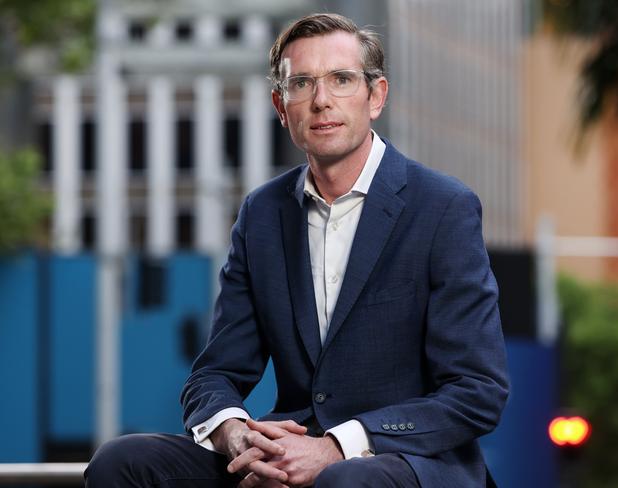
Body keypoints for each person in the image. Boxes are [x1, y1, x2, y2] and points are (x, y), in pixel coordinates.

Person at [85, 12, 509, 488]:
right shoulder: (262, 214)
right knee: (121, 462)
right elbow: (215, 373)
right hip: (285, 450)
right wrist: (239, 435)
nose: (322, 101)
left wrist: (335, 448)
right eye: (302, 83)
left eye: (342, 80)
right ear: (281, 106)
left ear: (376, 96)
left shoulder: (442, 208)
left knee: (344, 483)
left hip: (405, 460)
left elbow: (477, 391)